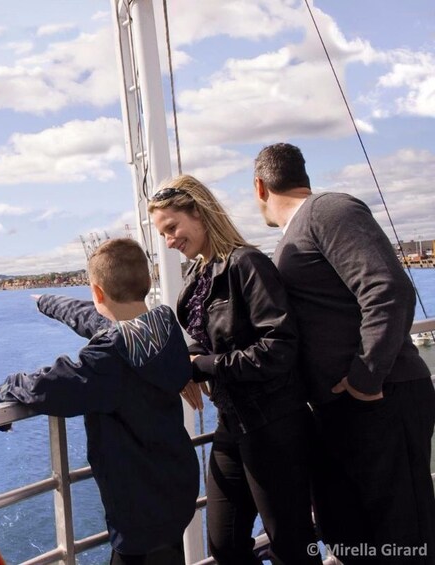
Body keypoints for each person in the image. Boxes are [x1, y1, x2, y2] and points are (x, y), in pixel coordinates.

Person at [254, 142, 435, 564]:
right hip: (346, 407)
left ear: (259, 186)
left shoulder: (328, 211)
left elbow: (387, 290)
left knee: (402, 536)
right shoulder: (296, 233)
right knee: (350, 534)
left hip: (381, 398)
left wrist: (365, 376)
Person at [0, 238, 199, 565]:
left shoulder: (110, 358)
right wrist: (48, 302)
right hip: (177, 492)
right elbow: (96, 319)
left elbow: (51, 387)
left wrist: (7, 387)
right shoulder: (165, 327)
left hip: (139, 513)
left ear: (98, 292)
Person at [149, 174, 320, 565]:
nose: (170, 241)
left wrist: (204, 367)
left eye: (173, 228)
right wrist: (189, 362)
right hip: (233, 421)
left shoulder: (247, 264)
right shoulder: (197, 276)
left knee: (291, 541)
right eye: (164, 234)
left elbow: (279, 348)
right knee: (224, 543)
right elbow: (201, 335)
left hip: (274, 424)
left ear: (199, 211)